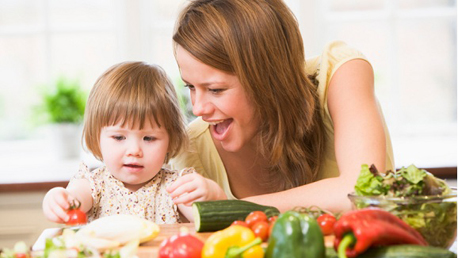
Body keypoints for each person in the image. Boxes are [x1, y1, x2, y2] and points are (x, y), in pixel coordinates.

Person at [169, 0, 394, 213]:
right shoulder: (193, 150)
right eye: (190, 86)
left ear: (267, 78)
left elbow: (364, 193)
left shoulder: (341, 75)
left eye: (215, 89)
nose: (198, 109)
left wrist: (233, 208)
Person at [42, 62, 226, 224]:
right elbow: (73, 200)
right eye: (119, 137)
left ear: (170, 141)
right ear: (96, 137)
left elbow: (210, 219)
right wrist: (57, 199)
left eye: (149, 138)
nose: (134, 151)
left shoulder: (175, 187)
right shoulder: (94, 186)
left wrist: (213, 194)